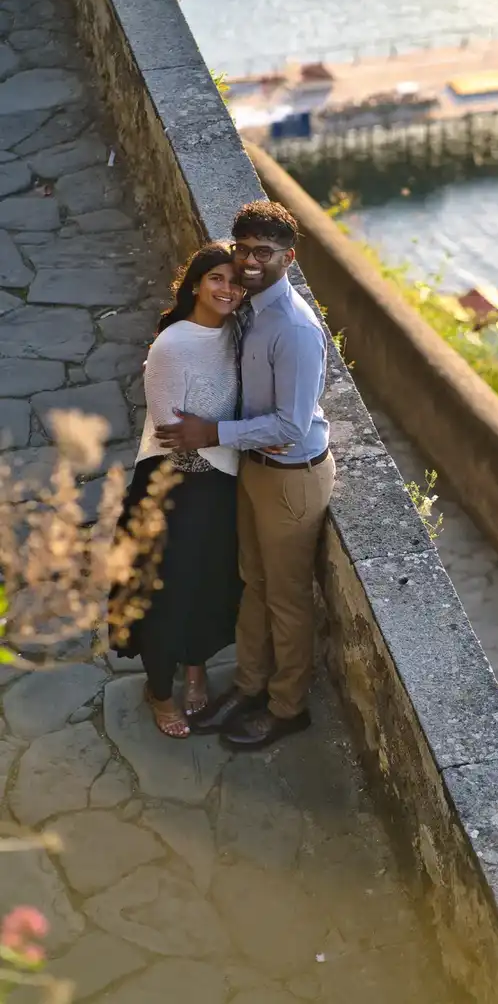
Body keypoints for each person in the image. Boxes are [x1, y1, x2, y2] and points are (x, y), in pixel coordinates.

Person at [155, 201, 335, 751]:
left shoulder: (295, 329)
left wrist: (213, 433)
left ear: (288, 257)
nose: (250, 262)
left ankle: (287, 706)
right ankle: (251, 685)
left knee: (286, 598)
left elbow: (290, 423)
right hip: (256, 468)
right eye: (243, 249)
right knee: (252, 584)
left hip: (290, 476)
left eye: (264, 252)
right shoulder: (250, 307)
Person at [109, 245, 244, 739]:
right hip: (174, 486)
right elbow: (170, 432)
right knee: (166, 589)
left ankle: (195, 665)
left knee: (210, 583)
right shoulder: (172, 345)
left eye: (235, 282)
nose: (227, 289)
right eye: (216, 279)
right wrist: (218, 447)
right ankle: (160, 691)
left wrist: (218, 443)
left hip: (220, 482)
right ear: (194, 284)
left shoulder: (235, 334)